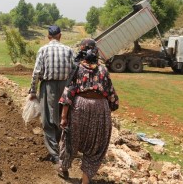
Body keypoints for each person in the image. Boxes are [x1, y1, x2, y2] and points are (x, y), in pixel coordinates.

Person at [58, 38, 119, 184]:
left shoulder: (77, 68)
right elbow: (111, 94)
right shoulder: (103, 69)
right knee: (96, 145)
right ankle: (85, 180)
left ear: (82, 51)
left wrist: (63, 116)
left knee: (70, 139)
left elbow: (69, 93)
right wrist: (111, 106)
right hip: (100, 109)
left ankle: (64, 168)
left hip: (80, 107)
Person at [28, 25, 75, 164]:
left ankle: (55, 154)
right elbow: (74, 70)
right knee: (63, 117)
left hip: (48, 86)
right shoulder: (68, 50)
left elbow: (36, 72)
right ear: (60, 36)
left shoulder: (43, 50)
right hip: (65, 86)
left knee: (48, 119)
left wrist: (32, 91)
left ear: (48, 37)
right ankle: (63, 148)